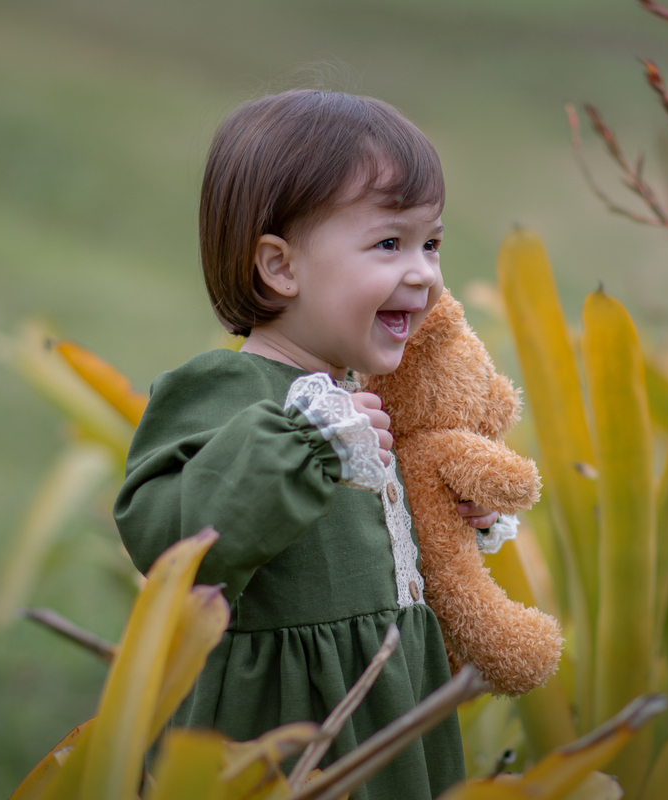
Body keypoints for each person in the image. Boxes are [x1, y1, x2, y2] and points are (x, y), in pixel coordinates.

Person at [113, 89, 500, 800]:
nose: (423, 272)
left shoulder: (370, 400)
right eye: (390, 243)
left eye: (431, 243)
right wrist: (304, 441)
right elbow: (168, 537)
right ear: (281, 268)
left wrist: (450, 517)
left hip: (386, 702)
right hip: (281, 728)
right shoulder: (229, 392)